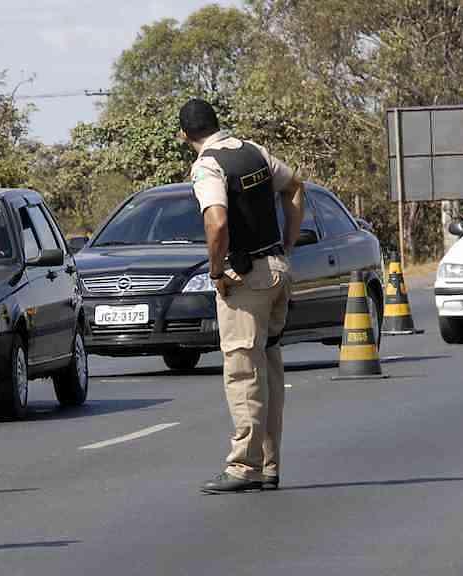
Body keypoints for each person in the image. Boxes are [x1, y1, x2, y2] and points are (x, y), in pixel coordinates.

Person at [178, 98, 305, 494]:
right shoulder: (254, 151)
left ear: (184, 135)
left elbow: (217, 223)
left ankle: (243, 467)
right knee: (268, 368)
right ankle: (269, 464)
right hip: (277, 271)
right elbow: (295, 187)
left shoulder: (207, 166)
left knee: (243, 372)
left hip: (245, 280)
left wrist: (216, 271)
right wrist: (287, 245)